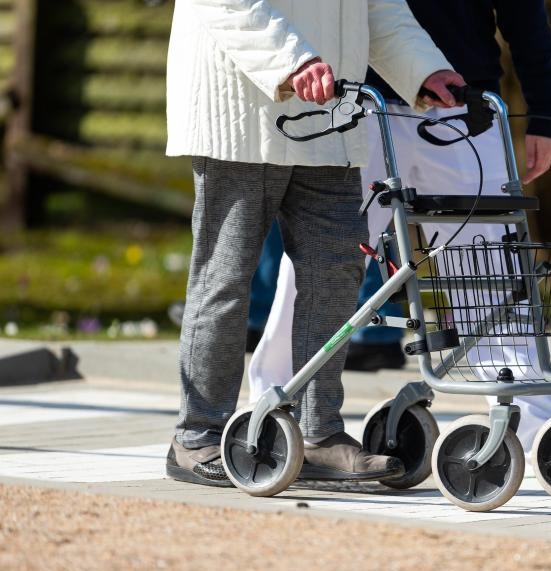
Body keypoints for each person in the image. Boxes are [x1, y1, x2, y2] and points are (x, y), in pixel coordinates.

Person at [164, 0, 465, 487]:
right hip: (243, 111)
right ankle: (197, 436)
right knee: (226, 276)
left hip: (328, 114)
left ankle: (317, 433)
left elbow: (378, 6)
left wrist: (424, 70)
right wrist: (292, 61)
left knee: (338, 267)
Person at [249, 0, 551, 462]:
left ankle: (529, 419)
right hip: (360, 102)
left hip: (464, 101)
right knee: (323, 260)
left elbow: (524, 13)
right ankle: (276, 399)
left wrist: (544, 111)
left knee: (490, 265)